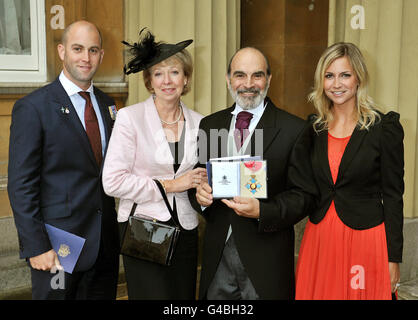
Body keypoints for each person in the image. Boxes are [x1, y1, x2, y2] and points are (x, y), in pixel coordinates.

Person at [190, 47, 317, 300]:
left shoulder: (295, 129)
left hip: (266, 259)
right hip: (217, 259)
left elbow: (305, 196)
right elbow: (199, 177)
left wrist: (263, 211)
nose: (248, 84)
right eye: (240, 75)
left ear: (269, 79)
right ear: (228, 79)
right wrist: (199, 196)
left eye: (257, 75)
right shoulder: (210, 125)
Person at [7, 20, 119, 300]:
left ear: (101, 55)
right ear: (61, 51)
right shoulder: (33, 107)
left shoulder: (109, 106)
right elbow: (21, 185)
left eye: (93, 50)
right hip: (58, 250)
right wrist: (36, 246)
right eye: (77, 48)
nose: (86, 58)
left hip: (104, 247)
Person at [295, 42, 404, 300]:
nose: (337, 84)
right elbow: (299, 182)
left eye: (345, 75)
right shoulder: (313, 128)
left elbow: (393, 196)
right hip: (320, 240)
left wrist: (393, 258)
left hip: (366, 241)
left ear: (359, 78)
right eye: (329, 76)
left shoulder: (383, 128)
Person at [102, 29, 205, 300]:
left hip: (186, 229)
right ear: (149, 81)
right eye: (158, 73)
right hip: (143, 229)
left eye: (175, 72)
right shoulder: (129, 118)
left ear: (186, 78)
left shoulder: (201, 122)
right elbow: (112, 181)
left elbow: (206, 175)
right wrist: (171, 185)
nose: (167, 81)